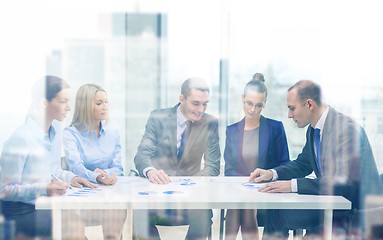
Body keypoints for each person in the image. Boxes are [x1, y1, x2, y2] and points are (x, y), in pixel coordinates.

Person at [249, 80, 383, 238]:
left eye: (292, 108)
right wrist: (272, 173)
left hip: (355, 213)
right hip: (332, 205)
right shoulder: (314, 130)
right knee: (276, 213)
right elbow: (303, 164)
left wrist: (292, 185)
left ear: (309, 105)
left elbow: (343, 182)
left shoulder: (347, 130)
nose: (289, 115)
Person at [0, 75, 96, 240]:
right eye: (63, 101)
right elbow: (5, 190)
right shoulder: (21, 138)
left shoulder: (55, 131)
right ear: (44, 103)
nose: (68, 108)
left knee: (76, 223)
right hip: (20, 212)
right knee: (73, 224)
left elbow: (53, 169)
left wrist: (72, 178)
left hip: (44, 204)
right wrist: (44, 188)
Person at [133, 77, 221, 240]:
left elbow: (213, 166)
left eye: (205, 104)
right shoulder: (158, 117)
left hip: (191, 195)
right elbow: (142, 155)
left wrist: (190, 183)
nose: (201, 109)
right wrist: (151, 171)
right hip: (158, 192)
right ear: (182, 99)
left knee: (203, 212)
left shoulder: (210, 123)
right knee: (140, 212)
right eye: (196, 103)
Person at [224, 73, 290, 240]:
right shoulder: (232, 130)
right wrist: (245, 186)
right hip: (241, 191)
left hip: (267, 192)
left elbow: (285, 164)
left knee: (241, 207)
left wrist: (263, 181)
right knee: (241, 206)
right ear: (242, 99)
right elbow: (230, 168)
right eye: (249, 104)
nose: (253, 109)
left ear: (265, 104)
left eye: (259, 105)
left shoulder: (275, 128)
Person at [64, 83, 126, 240]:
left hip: (109, 196)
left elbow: (118, 167)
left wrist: (106, 174)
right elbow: (76, 167)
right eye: (99, 103)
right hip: (82, 196)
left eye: (106, 102)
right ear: (85, 106)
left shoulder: (113, 132)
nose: (105, 107)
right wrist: (96, 177)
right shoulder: (71, 133)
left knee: (115, 222)